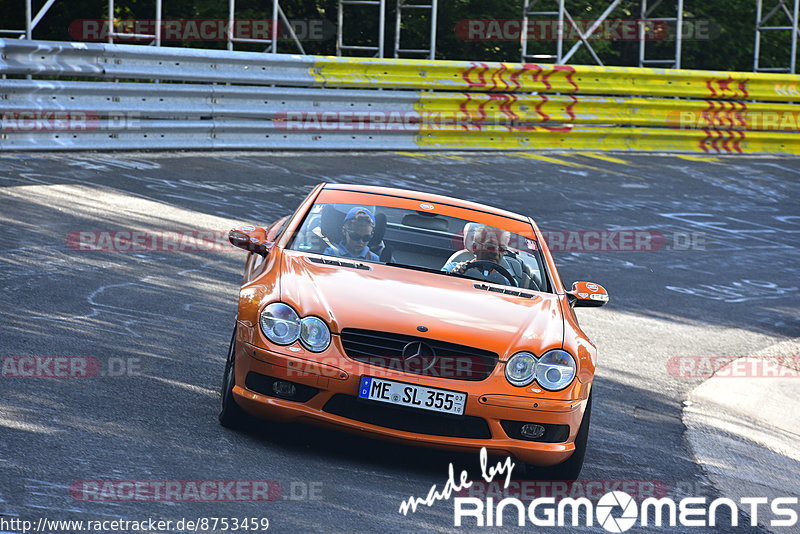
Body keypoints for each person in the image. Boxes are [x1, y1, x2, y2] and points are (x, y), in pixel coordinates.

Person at [442, 223, 531, 287]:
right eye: (490, 247)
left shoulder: (508, 282)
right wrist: (453, 276)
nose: (496, 253)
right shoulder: (451, 269)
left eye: (501, 249)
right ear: (475, 247)